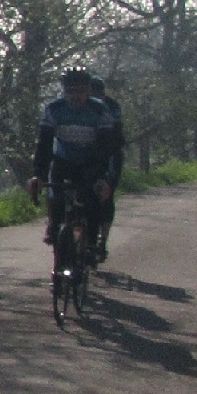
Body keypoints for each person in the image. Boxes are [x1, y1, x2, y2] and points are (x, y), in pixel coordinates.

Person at [25, 68, 123, 267]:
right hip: (63, 161)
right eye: (70, 91)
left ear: (88, 90)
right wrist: (39, 174)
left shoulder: (100, 111)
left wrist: (103, 177)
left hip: (91, 162)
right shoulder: (54, 109)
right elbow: (44, 146)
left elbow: (105, 148)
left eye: (80, 91)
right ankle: (54, 226)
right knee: (56, 197)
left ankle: (91, 242)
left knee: (92, 199)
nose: (75, 97)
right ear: (64, 91)